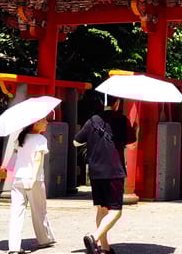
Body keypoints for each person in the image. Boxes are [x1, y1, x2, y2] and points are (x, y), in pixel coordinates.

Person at [74, 95, 133, 254]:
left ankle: (105, 248)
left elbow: (76, 142)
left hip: (95, 171)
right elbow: (132, 146)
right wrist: (137, 130)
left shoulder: (92, 120)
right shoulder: (122, 120)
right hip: (114, 171)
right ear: (117, 103)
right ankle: (94, 237)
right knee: (116, 211)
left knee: (101, 209)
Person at [3, 117, 55, 254]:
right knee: (39, 211)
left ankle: (14, 247)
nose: (47, 122)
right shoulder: (40, 140)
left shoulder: (21, 139)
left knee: (16, 213)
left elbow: (15, 158)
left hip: (18, 178)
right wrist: (32, 178)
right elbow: (37, 160)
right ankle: (44, 239)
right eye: (44, 120)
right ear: (35, 123)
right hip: (34, 179)